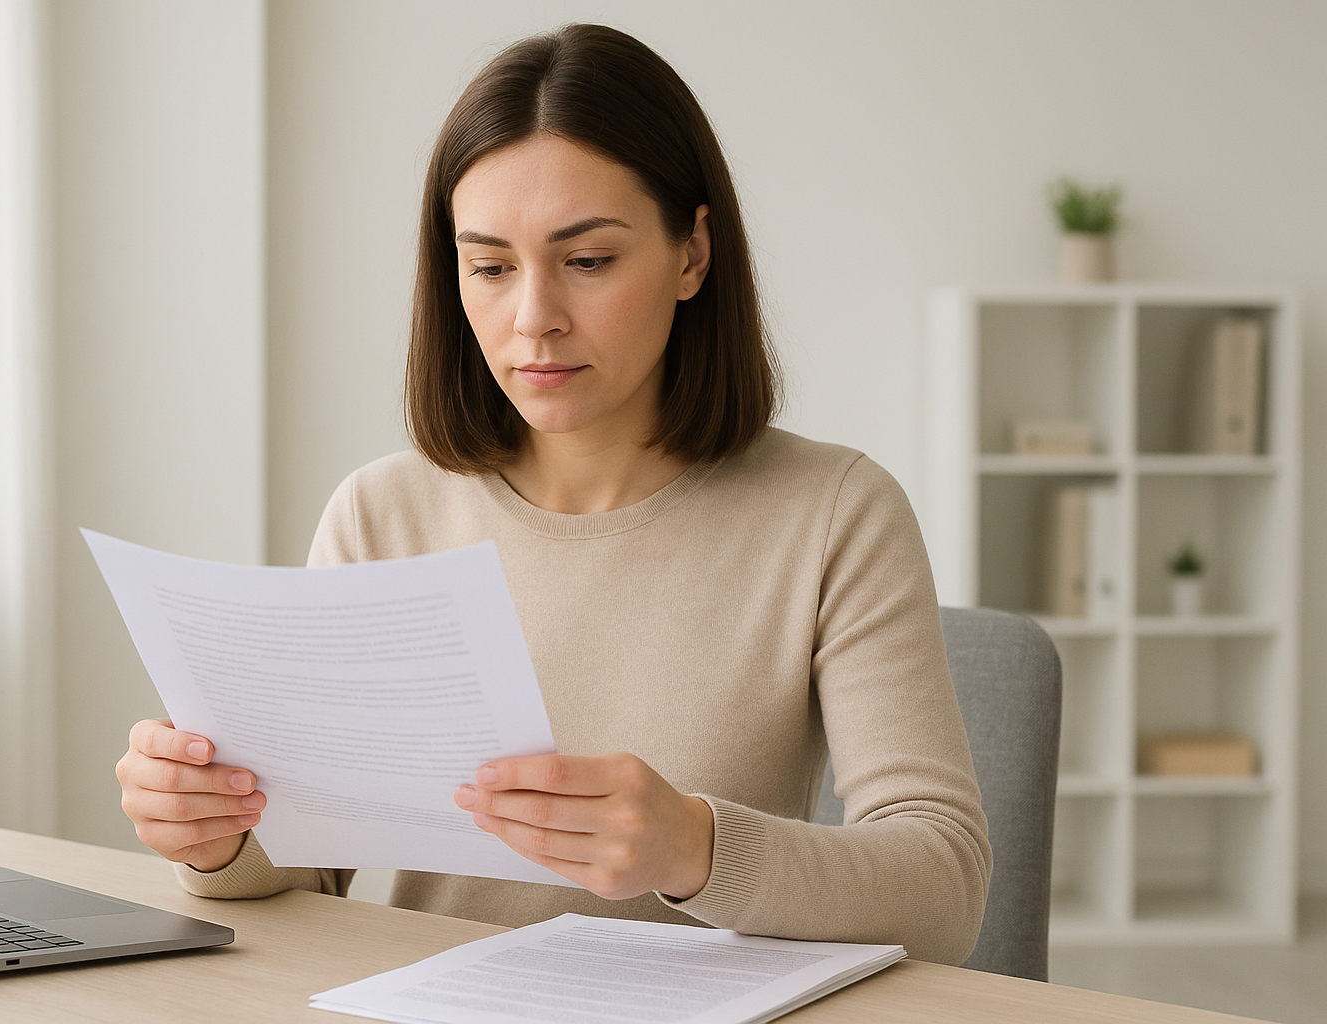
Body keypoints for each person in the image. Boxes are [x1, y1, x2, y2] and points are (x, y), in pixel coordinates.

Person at [115, 23, 990, 965]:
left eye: (588, 260)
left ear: (693, 254)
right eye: (489, 268)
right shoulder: (382, 514)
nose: (534, 319)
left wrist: (694, 846)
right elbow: (309, 867)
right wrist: (215, 836)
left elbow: (942, 888)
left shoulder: (833, 514)